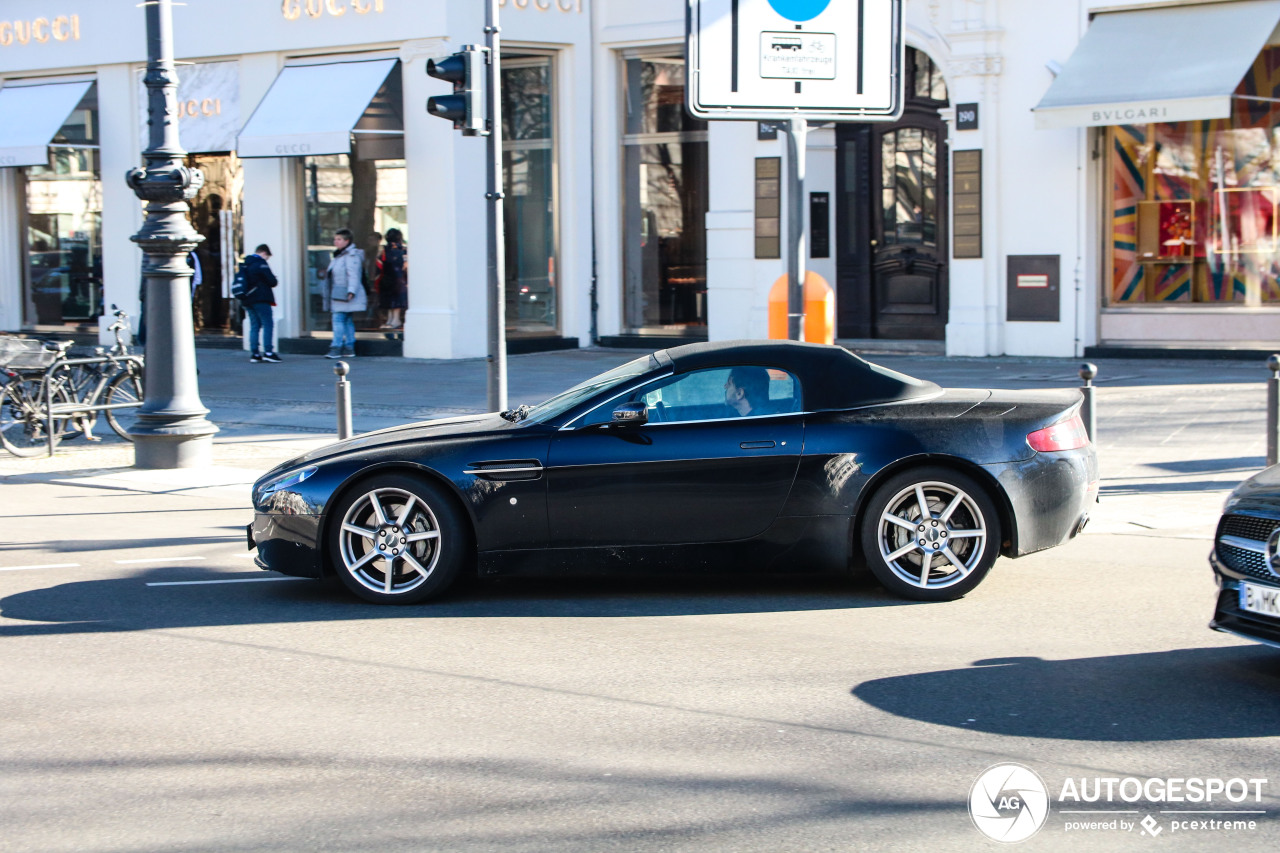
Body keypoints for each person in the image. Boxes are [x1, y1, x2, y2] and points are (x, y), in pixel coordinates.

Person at [324, 227, 367, 358]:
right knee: (346, 320)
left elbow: (353, 274)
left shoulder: (350, 256)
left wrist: (351, 291)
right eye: (335, 239)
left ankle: (336, 347)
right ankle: (349, 347)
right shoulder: (340, 255)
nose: (335, 242)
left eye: (339, 239)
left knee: (338, 319)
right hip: (339, 293)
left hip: (343, 293)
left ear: (347, 241)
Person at [239, 244, 279, 363]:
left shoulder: (246, 264)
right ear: (264, 253)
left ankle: (255, 353)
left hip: (247, 300)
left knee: (254, 326)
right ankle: (268, 352)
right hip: (261, 299)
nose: (267, 259)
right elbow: (272, 281)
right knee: (268, 324)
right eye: (267, 257)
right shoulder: (261, 263)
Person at [377, 227, 408, 330]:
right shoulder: (403, 250)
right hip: (399, 278)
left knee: (390, 300)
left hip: (386, 278)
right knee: (397, 300)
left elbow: (379, 264)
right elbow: (406, 265)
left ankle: (390, 319)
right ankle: (395, 319)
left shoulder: (384, 250)